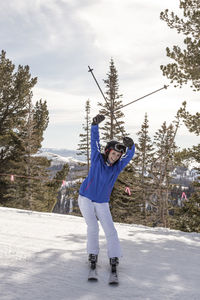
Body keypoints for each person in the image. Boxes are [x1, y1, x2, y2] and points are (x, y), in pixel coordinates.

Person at [78, 114, 135, 271]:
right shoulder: (97, 159)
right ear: (108, 151)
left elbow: (129, 156)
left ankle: (114, 256)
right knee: (93, 227)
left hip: (102, 201)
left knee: (110, 229)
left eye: (118, 155)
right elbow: (94, 141)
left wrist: (132, 146)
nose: (115, 157)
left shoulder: (117, 167)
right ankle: (92, 254)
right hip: (86, 198)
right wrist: (95, 125)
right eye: (113, 153)